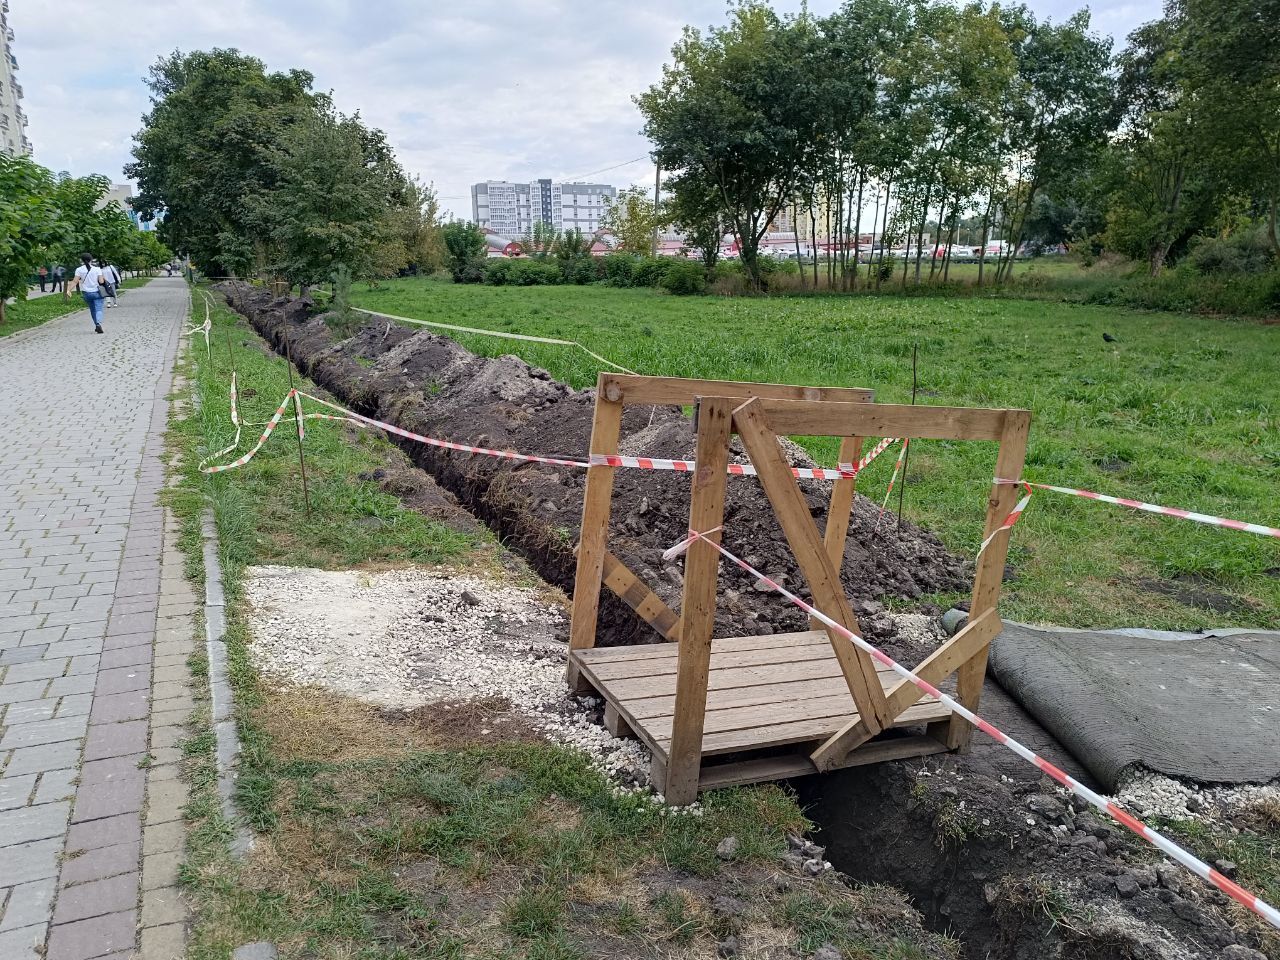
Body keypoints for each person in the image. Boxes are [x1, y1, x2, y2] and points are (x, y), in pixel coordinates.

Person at [70, 253, 107, 334]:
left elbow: (75, 281)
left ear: (82, 260)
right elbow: (101, 281)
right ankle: (98, 324)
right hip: (97, 292)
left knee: (93, 310)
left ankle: (97, 325)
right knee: (98, 309)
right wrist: (102, 277)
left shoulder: (79, 269)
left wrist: (68, 290)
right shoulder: (97, 269)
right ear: (91, 259)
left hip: (86, 293)